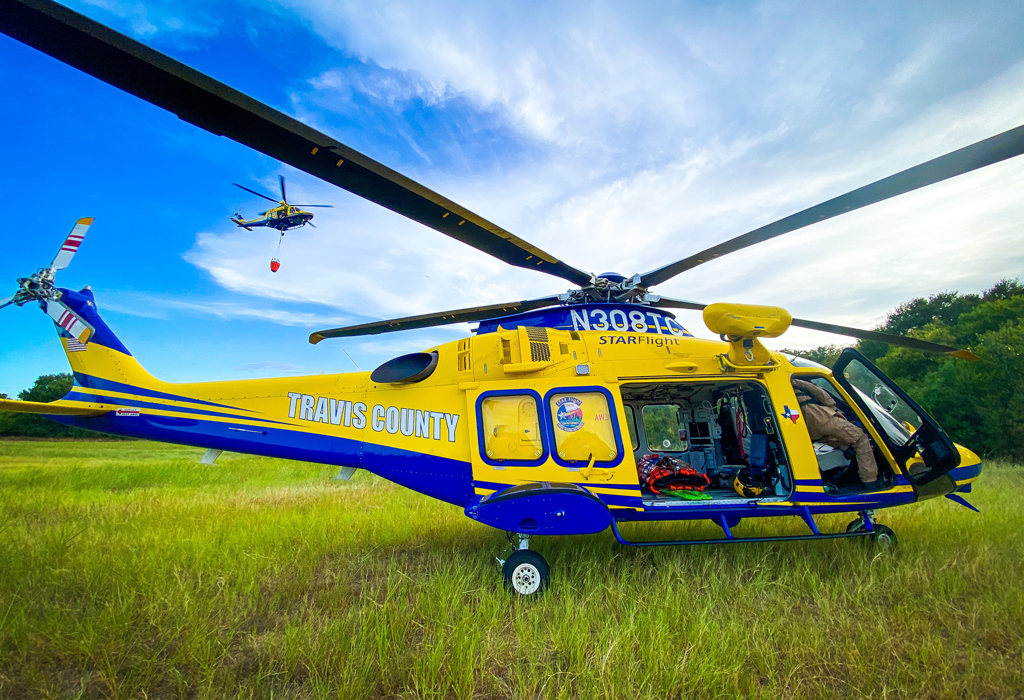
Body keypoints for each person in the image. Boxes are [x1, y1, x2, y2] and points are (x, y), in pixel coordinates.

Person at [791, 378, 879, 485]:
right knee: (860, 439)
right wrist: (833, 410)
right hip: (821, 418)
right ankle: (870, 480)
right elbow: (820, 393)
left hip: (806, 429)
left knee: (842, 443)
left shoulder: (780, 390)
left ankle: (845, 475)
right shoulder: (795, 381)